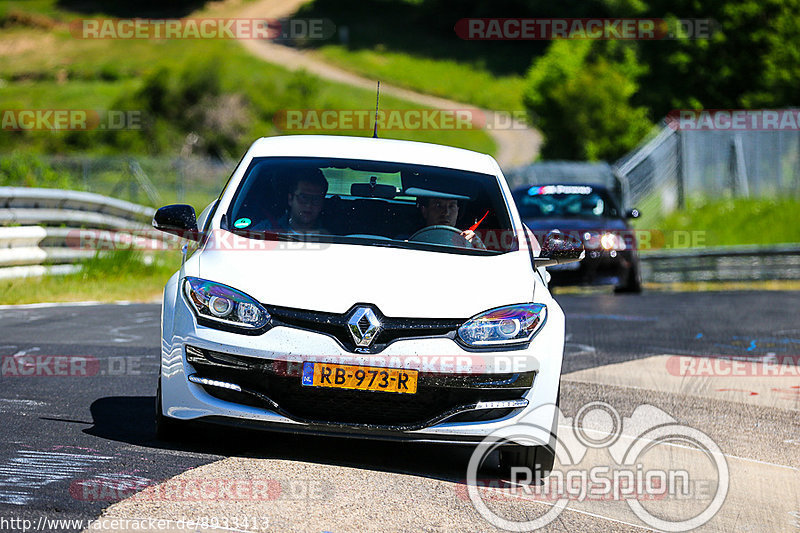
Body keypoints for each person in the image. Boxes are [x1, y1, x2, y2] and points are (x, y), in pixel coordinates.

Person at [417, 196, 483, 247]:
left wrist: (479, 248)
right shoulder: (412, 243)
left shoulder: (466, 241)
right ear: (425, 211)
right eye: (438, 205)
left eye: (451, 206)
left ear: (457, 211)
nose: (446, 213)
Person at [277, 169, 329, 234]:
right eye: (303, 197)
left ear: (322, 203)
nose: (309, 205)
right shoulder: (267, 230)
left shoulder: (336, 235)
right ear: (290, 199)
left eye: (316, 199)